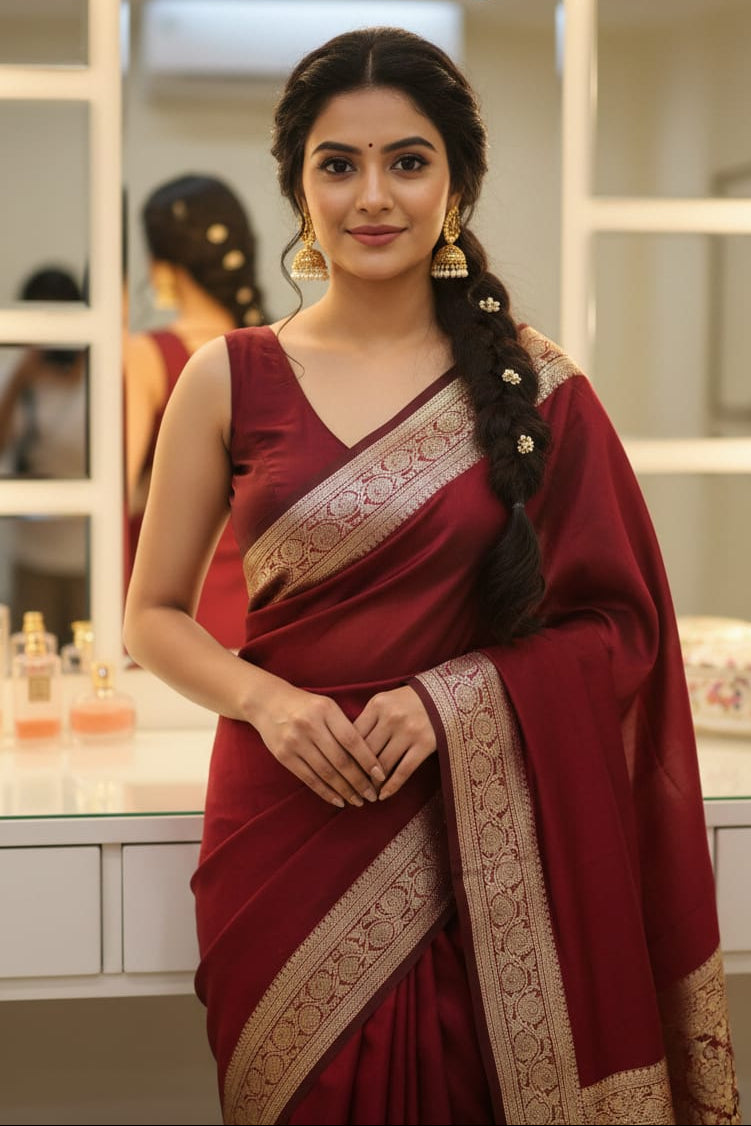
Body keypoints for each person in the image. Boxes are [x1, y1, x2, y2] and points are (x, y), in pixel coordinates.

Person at [123, 27, 741, 1126]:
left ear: (454, 187)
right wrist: (268, 703)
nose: (373, 195)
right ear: (297, 187)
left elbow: (623, 627)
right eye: (337, 163)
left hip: (478, 854)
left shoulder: (542, 393)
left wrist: (449, 700)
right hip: (283, 829)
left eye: (407, 161)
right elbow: (154, 615)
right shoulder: (229, 377)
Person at [123, 174, 268, 649]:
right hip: (263, 614)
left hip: (176, 622)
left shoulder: (147, 356)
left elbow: (116, 495)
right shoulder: (281, 353)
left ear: (160, 267)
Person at [0, 266, 88, 641]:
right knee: (34, 662)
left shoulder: (102, 369)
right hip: (34, 551)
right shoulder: (17, 370)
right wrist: (20, 381)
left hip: (91, 548)